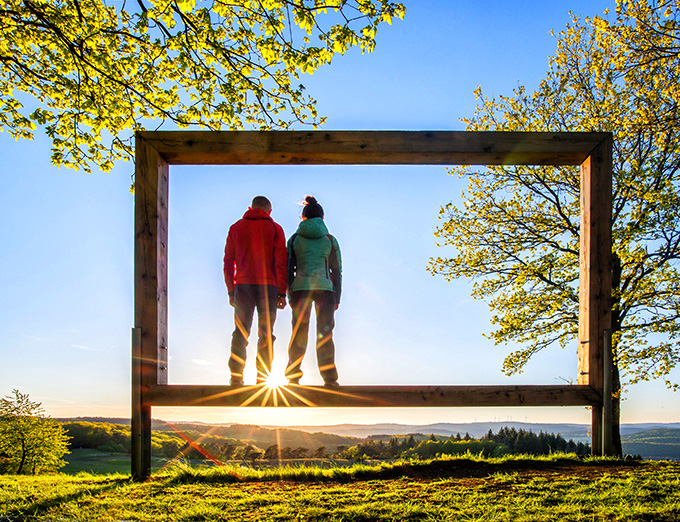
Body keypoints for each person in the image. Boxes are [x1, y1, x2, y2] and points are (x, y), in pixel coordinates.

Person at [223, 196, 287, 386]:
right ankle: (262, 378)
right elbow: (281, 263)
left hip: (243, 286)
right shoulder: (276, 229)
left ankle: (236, 376)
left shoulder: (236, 228)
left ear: (250, 207)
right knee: (266, 334)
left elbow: (228, 262)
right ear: (270, 211)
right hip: (269, 287)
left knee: (240, 332)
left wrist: (230, 290)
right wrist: (282, 293)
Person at [285, 196, 342, 387]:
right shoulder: (330, 240)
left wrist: (290, 294)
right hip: (326, 290)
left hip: (300, 289)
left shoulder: (294, 239)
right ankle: (330, 379)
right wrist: (337, 297)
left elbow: (288, 268)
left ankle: (293, 378)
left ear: (303, 217)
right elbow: (337, 270)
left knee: (299, 333)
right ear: (322, 218)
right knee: (324, 335)